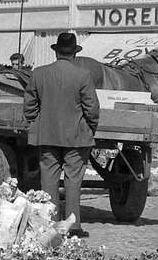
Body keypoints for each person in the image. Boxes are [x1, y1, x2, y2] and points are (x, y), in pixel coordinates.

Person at [23, 32, 100, 237]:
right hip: (76, 136)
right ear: (74, 54)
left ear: (56, 52)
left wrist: (37, 122)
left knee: (48, 180)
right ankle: (72, 227)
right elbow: (92, 109)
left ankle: (50, 224)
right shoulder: (83, 75)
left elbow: (29, 106)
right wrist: (90, 129)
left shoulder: (39, 74)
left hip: (47, 134)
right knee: (73, 181)